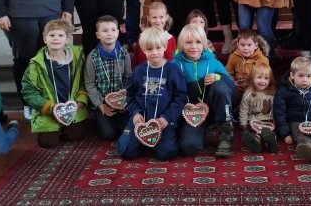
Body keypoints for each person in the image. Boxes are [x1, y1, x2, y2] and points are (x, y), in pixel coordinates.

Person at [116, 27, 188, 161]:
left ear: (165, 47)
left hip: (163, 121)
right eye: (149, 49)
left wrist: (167, 117)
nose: (154, 52)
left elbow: (180, 97)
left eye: (158, 48)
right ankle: (142, 141)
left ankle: (168, 137)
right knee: (125, 151)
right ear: (143, 50)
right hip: (141, 120)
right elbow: (130, 95)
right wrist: (135, 113)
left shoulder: (173, 70)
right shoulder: (138, 71)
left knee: (165, 153)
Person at [22, 19, 89, 148]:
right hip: (50, 108)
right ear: (45, 39)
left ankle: (65, 128)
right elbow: (28, 91)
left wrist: (81, 100)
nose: (56, 39)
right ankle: (53, 128)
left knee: (77, 136)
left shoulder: (78, 58)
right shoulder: (36, 64)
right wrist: (49, 108)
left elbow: (84, 82)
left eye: (60, 35)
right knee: (48, 143)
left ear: (67, 39)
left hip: (72, 107)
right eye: (51, 35)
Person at [172, 24, 236, 157]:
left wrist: (217, 77)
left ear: (204, 44)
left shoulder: (212, 62)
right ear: (181, 44)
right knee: (190, 147)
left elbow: (231, 84)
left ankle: (225, 133)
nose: (193, 46)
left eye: (198, 42)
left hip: (212, 107)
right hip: (190, 112)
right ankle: (198, 130)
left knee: (220, 86)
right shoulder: (174, 65)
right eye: (188, 42)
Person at [84, 15, 133, 141]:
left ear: (118, 32)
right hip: (102, 102)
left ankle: (117, 119)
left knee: (126, 131)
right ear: (98, 35)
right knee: (109, 134)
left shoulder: (123, 54)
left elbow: (128, 79)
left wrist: (124, 101)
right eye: (105, 31)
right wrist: (100, 105)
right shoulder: (92, 57)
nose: (109, 33)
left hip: (121, 102)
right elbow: (89, 84)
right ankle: (99, 117)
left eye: (112, 30)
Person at [224, 29, 271, 117]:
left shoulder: (263, 60)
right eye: (243, 45)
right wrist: (234, 83)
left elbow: (265, 78)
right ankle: (231, 115)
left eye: (249, 45)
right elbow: (228, 73)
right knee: (231, 95)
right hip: (238, 87)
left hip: (255, 89)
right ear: (238, 45)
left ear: (256, 46)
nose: (246, 48)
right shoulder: (233, 57)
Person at [239, 63, 278, 154]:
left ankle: (271, 142)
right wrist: (243, 124)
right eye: (259, 77)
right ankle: (256, 142)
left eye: (266, 78)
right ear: (252, 78)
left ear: (270, 80)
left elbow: (275, 109)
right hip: (253, 121)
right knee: (254, 133)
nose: (262, 81)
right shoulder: (248, 93)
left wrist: (276, 122)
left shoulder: (272, 93)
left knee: (269, 132)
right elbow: (243, 110)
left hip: (268, 121)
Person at [133, 1, 177, 69]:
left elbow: (173, 61)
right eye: (154, 17)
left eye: (161, 17)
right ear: (148, 18)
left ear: (166, 17)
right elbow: (137, 59)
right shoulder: (142, 36)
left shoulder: (170, 39)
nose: (158, 20)